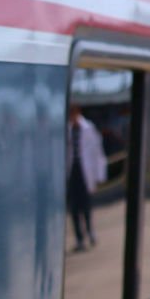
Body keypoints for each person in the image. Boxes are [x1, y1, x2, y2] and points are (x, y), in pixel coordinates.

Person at [66, 105, 107, 250]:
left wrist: (99, 175)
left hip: (85, 171)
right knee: (74, 208)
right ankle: (79, 237)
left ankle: (90, 231)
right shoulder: (67, 130)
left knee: (86, 206)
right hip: (73, 172)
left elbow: (97, 153)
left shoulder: (88, 128)